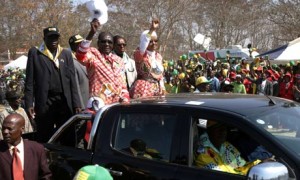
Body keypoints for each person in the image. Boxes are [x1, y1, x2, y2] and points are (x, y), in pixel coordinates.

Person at [25, 26, 81, 142]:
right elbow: (29, 81)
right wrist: (29, 103)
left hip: (64, 101)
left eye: (56, 37)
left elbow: (72, 80)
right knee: (45, 136)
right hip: (45, 101)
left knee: (68, 135)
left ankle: (68, 159)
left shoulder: (65, 53)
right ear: (44, 38)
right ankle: (46, 159)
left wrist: (76, 103)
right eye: (50, 38)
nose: (54, 40)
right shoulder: (35, 53)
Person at [76, 19, 129, 105]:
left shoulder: (119, 60)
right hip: (97, 104)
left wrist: (125, 99)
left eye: (109, 42)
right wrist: (91, 33)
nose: (106, 44)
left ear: (113, 45)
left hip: (116, 105)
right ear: (98, 43)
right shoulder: (93, 55)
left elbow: (123, 84)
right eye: (103, 41)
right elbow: (80, 55)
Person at [194, 121, 262, 175]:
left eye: (224, 128)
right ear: (209, 131)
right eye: (218, 129)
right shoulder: (203, 154)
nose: (223, 132)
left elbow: (240, 167)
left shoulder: (227, 146)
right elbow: (222, 176)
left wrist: (258, 164)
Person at [0, 113, 52, 180]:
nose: (5, 132)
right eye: (3, 128)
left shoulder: (37, 149)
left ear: (22, 129)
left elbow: (45, 175)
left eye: (10, 129)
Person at [130, 19, 166, 98]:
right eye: (150, 41)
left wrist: (162, 88)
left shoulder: (158, 56)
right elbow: (143, 46)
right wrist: (151, 30)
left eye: (155, 41)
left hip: (157, 90)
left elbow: (160, 76)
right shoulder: (140, 54)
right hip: (143, 89)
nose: (154, 43)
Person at [69, 34, 90, 109]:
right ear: (72, 46)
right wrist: (79, 106)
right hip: (82, 105)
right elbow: (75, 87)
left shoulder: (89, 58)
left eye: (82, 43)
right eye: (78, 44)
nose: (81, 46)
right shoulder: (71, 61)